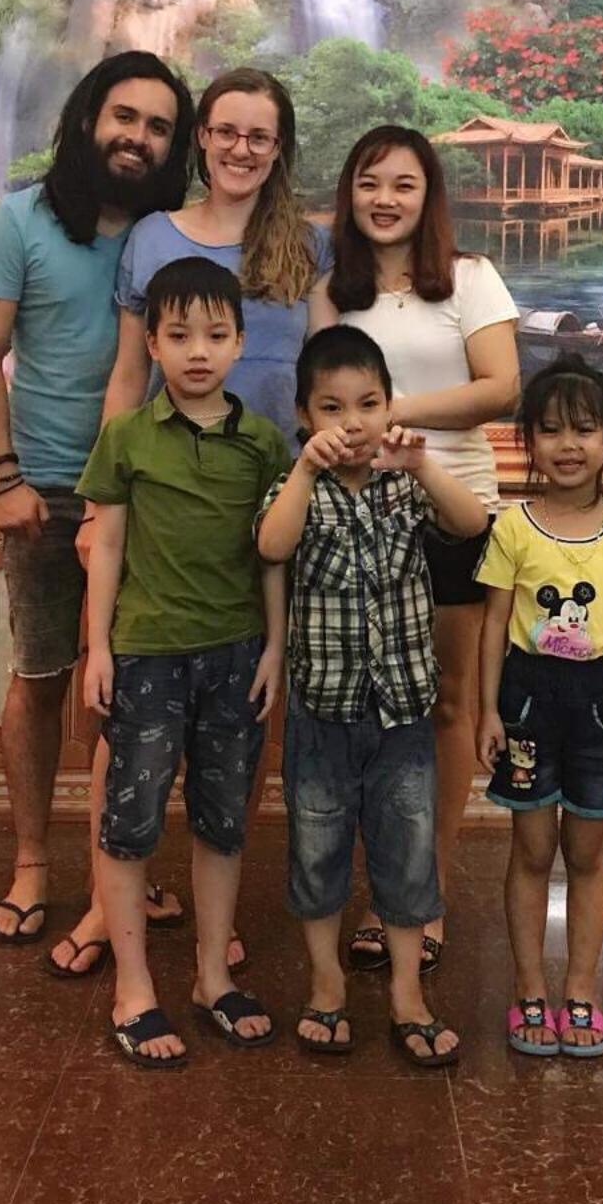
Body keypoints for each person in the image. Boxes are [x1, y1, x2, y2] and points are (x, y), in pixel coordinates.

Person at [46, 65, 328, 976]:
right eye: (226, 130)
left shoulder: (303, 245)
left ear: (279, 149)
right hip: (161, 508)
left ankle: (216, 913)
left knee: (240, 722)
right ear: (202, 138)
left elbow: (322, 373)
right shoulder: (154, 238)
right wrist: (100, 505)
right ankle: (106, 903)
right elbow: (127, 377)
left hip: (267, 506)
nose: (242, 148)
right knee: (127, 722)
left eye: (260, 135)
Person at [0, 51, 193, 944]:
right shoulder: (19, 219)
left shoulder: (169, 235)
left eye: (159, 127)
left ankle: (118, 873)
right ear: (91, 118)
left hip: (153, 498)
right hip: (47, 492)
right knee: (42, 678)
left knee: (132, 693)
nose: (138, 138)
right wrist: (4, 476)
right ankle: (31, 862)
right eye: (124, 117)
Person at [317, 124, 520, 978]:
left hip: (454, 510)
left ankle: (420, 893)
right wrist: (358, 430)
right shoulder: (333, 290)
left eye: (403, 184)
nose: (385, 199)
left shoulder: (470, 277)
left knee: (446, 708)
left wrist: (392, 413)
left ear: (428, 196)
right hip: (356, 518)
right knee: (366, 710)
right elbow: (316, 399)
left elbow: (501, 388)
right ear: (350, 195)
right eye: (370, 183)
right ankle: (376, 885)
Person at [78, 257, 290, 1068]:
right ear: (153, 345)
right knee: (130, 824)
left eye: (215, 334)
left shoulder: (262, 443)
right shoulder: (128, 436)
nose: (197, 351)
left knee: (223, 822)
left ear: (239, 342)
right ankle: (134, 988)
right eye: (179, 335)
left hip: (235, 654)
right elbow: (107, 545)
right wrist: (100, 648)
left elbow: (272, 557)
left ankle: (212, 977)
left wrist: (274, 647)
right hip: (148, 654)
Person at [257, 326, 487, 1067]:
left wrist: (422, 464)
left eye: (368, 404)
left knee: (408, 853)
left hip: (404, 711)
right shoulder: (296, 488)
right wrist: (303, 470)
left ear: (390, 408)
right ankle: (326, 984)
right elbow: (271, 545)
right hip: (323, 709)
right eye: (331, 408)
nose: (351, 423)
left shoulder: (404, 483)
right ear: (304, 417)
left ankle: (407, 994)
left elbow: (471, 523)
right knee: (318, 848)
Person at [475, 356, 603, 1060]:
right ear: (529, 441)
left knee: (587, 853)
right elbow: (493, 623)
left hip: (600, 701)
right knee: (532, 849)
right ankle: (530, 988)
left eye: (584, 430)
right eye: (551, 430)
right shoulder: (513, 528)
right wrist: (487, 712)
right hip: (527, 698)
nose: (568, 445)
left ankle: (582, 990)